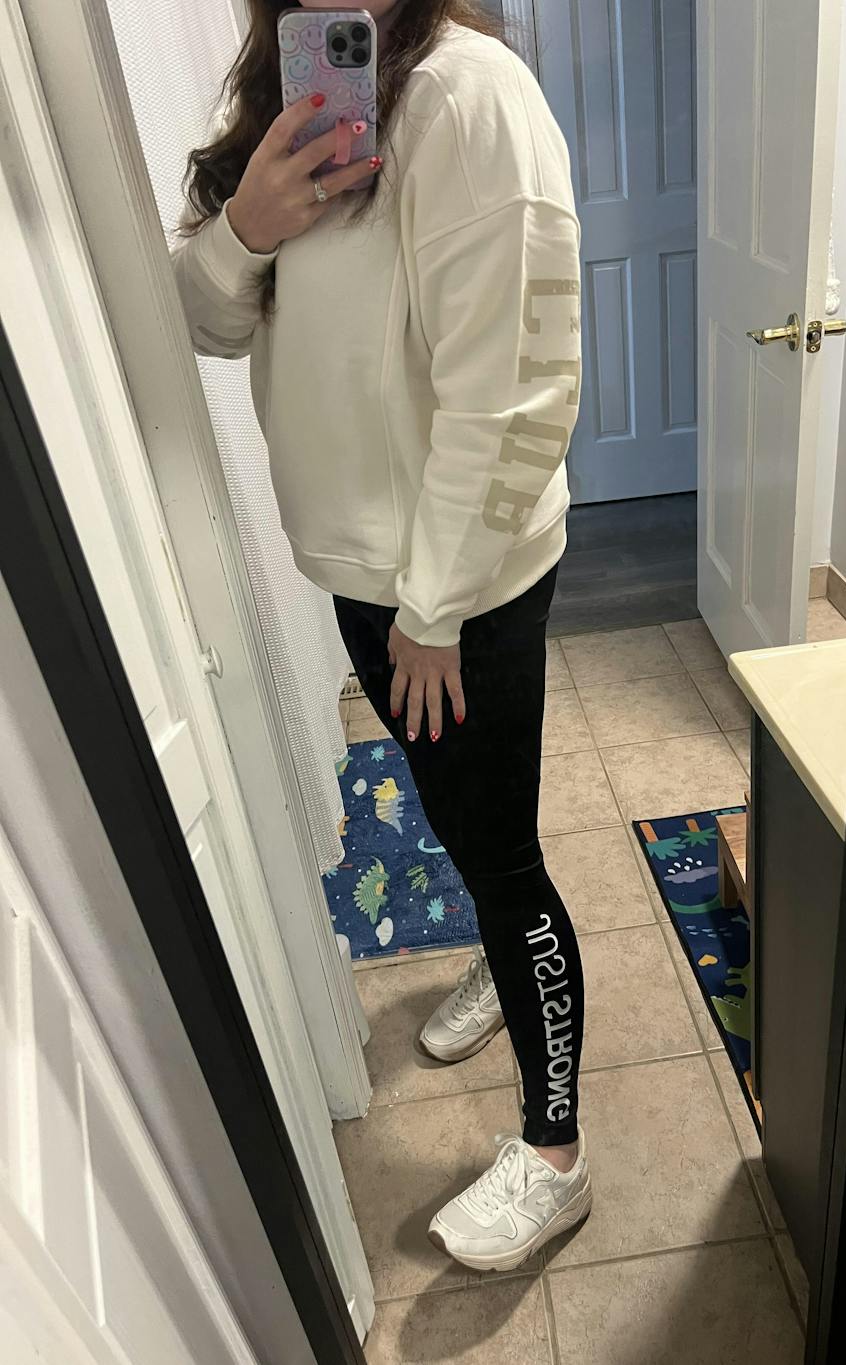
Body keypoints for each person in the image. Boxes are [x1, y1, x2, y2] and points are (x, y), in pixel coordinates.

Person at [172, 0, 589, 1272]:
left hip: (458, 590)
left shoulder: (469, 95)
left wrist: (434, 609)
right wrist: (247, 229)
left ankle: (558, 1155)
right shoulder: (285, 91)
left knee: (503, 861)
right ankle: (503, 977)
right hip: (371, 574)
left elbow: (512, 390)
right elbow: (206, 323)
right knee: (464, 823)